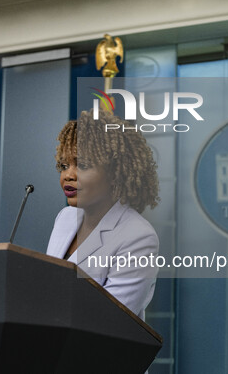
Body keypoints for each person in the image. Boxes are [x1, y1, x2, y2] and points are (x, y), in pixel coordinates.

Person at [46, 110, 160, 320]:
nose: (68, 175)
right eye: (64, 165)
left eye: (83, 165)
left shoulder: (138, 236)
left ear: (116, 172)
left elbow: (110, 320)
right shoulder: (65, 217)